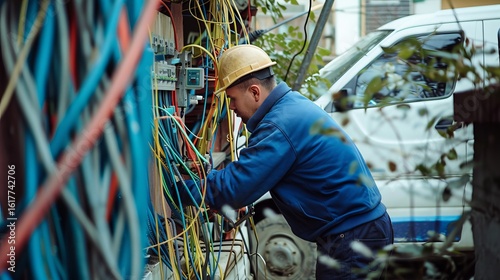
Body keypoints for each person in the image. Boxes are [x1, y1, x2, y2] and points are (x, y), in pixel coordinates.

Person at [177, 44, 394, 279]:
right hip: (359, 230)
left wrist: (178, 190)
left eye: (232, 98)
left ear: (254, 92)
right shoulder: (291, 106)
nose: (231, 107)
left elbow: (235, 188)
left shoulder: (279, 125)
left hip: (353, 237)